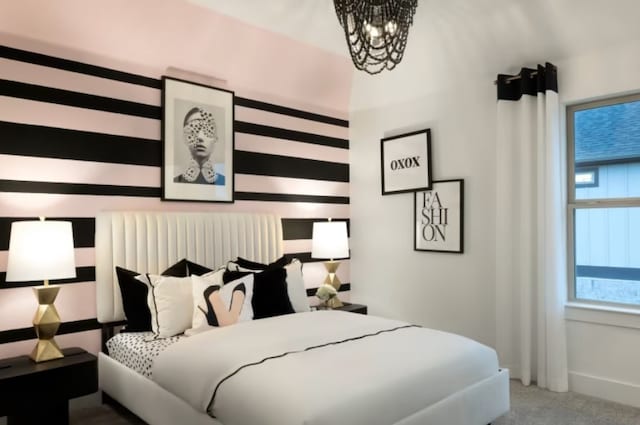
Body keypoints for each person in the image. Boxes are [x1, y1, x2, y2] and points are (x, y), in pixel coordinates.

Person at [174, 106, 226, 185]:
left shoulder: (224, 183)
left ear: (215, 139)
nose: (200, 137)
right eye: (193, 129)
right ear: (185, 137)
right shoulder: (175, 182)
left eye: (207, 130)